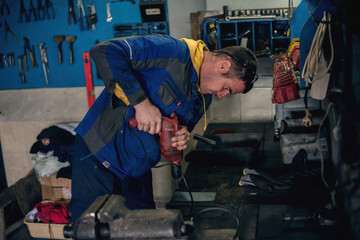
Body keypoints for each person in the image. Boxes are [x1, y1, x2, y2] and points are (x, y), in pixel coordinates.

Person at [69, 34, 258, 221]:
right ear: (223, 65)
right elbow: (105, 51)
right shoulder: (172, 51)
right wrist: (141, 104)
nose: (221, 95)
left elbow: (178, 127)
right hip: (99, 157)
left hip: (137, 169)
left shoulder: (203, 98)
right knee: (91, 228)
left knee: (144, 230)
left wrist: (181, 135)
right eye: (226, 88)